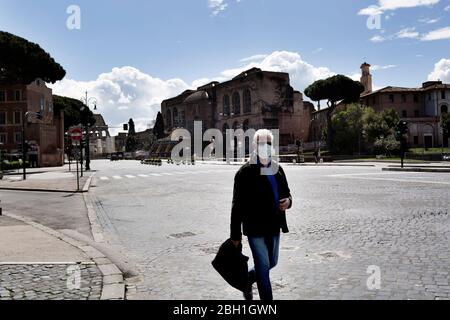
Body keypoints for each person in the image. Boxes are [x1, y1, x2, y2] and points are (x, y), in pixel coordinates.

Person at [230, 129, 293, 301]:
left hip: (274, 226)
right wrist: (235, 236)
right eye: (261, 143)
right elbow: (237, 206)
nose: (265, 147)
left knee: (272, 263)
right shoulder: (245, 172)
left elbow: (288, 194)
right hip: (255, 228)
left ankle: (247, 279)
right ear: (254, 146)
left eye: (268, 143)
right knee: (263, 270)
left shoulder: (277, 169)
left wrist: (288, 202)